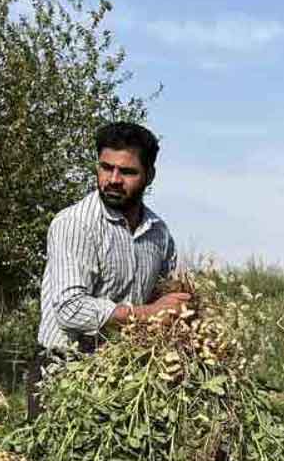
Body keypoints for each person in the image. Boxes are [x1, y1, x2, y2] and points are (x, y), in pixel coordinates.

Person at [27, 121, 186, 421]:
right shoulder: (75, 224)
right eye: (106, 167)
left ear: (149, 175)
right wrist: (149, 313)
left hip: (126, 376)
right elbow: (70, 309)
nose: (113, 179)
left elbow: (168, 297)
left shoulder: (159, 234)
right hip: (64, 372)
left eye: (127, 172)